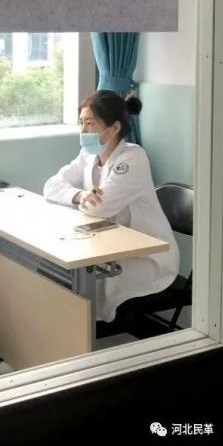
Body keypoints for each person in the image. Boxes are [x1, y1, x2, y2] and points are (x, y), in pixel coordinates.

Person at [43, 90, 179, 330]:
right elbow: (51, 186)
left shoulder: (133, 158)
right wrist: (79, 195)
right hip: (109, 246)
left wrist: (84, 199)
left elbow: (99, 208)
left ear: (114, 128)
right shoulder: (88, 155)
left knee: (77, 284)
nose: (83, 131)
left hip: (145, 257)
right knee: (54, 273)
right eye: (81, 123)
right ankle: (66, 338)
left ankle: (81, 339)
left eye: (90, 124)